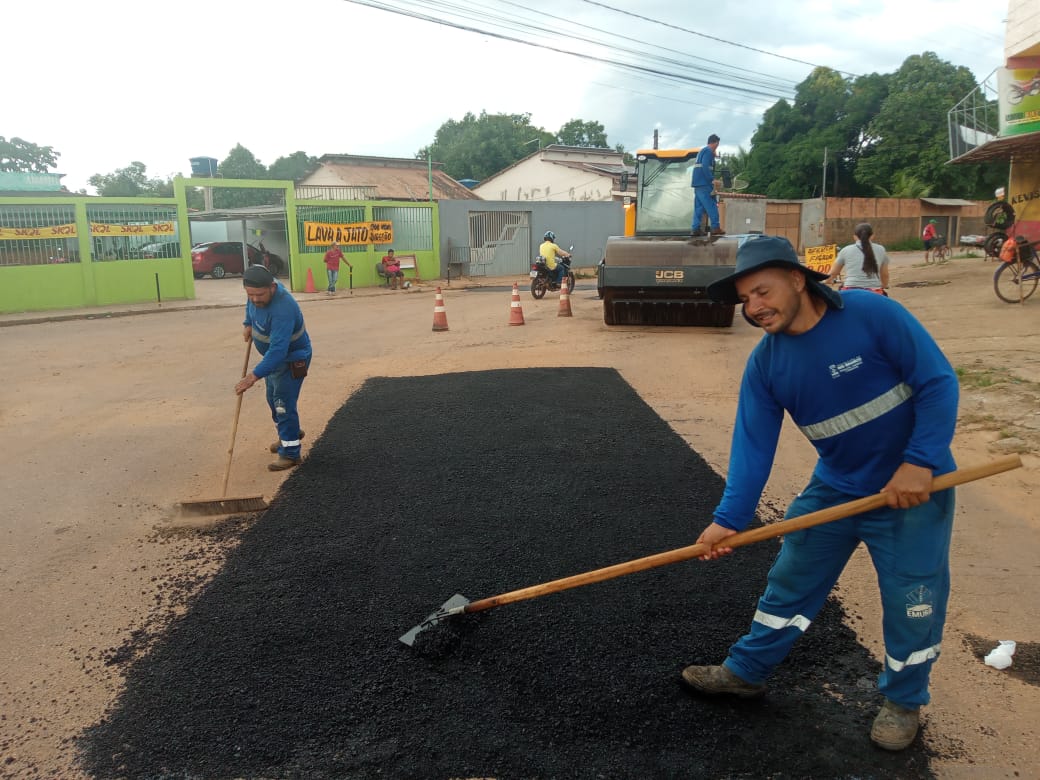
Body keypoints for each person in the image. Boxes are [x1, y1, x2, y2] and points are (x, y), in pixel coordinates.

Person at [681, 235, 959, 753]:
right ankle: (747, 671)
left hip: (914, 490)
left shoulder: (873, 316)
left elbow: (938, 383)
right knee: (791, 578)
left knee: (912, 600)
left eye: (761, 291)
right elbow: (753, 446)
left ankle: (903, 700)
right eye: (745, 300)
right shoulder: (766, 365)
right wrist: (731, 517)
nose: (754, 307)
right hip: (836, 486)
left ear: (796, 278)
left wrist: (919, 463)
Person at [235, 265, 313, 471]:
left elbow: (278, 351)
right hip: (273, 362)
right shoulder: (255, 293)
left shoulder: (283, 308)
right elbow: (249, 305)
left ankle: (290, 453)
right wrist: (247, 323)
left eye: (259, 295)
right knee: (272, 399)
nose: (254, 299)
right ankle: (288, 434)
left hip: (290, 360)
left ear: (271, 287)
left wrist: (252, 377)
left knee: (283, 404)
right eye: (250, 294)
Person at [824, 222, 890, 295]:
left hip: (850, 288)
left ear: (855, 237)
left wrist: (827, 281)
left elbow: (833, 273)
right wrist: (884, 285)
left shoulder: (846, 250)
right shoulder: (881, 249)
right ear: (872, 236)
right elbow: (885, 275)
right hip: (874, 290)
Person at [690, 134, 725, 237]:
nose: (717, 147)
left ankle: (695, 229)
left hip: (698, 184)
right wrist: (712, 179)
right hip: (705, 184)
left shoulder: (702, 151)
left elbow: (703, 166)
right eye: (717, 145)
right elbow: (705, 166)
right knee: (712, 205)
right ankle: (715, 227)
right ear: (715, 143)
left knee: (699, 208)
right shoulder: (708, 152)